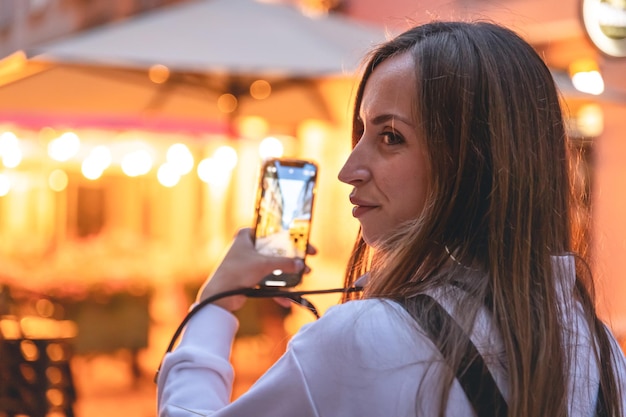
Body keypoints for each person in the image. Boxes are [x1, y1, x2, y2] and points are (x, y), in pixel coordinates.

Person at [157, 21, 626, 416]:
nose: (348, 170)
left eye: (391, 137)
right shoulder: (602, 351)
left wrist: (216, 303)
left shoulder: (362, 341)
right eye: (362, 132)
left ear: (471, 161)